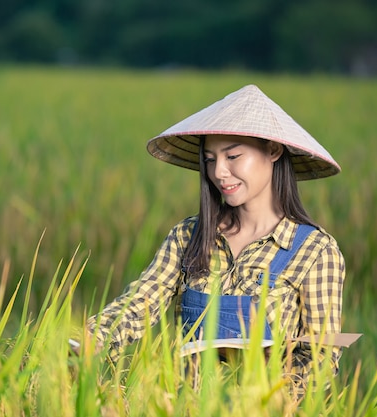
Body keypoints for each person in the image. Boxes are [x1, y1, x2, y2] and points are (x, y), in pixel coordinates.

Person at [82, 84, 345, 398]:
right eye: (209, 159)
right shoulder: (189, 236)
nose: (219, 172)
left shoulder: (315, 252)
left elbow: (320, 358)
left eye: (233, 156)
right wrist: (93, 337)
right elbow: (141, 301)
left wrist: (262, 401)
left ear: (273, 151)